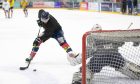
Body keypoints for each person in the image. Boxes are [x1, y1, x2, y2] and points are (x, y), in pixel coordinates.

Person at [72, 24, 140, 84]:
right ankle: (137, 72)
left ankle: (80, 80)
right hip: (115, 57)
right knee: (126, 66)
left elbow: (90, 51)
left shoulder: (91, 37)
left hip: (98, 59)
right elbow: (122, 41)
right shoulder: (110, 36)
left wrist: (79, 58)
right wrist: (135, 41)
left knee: (88, 69)